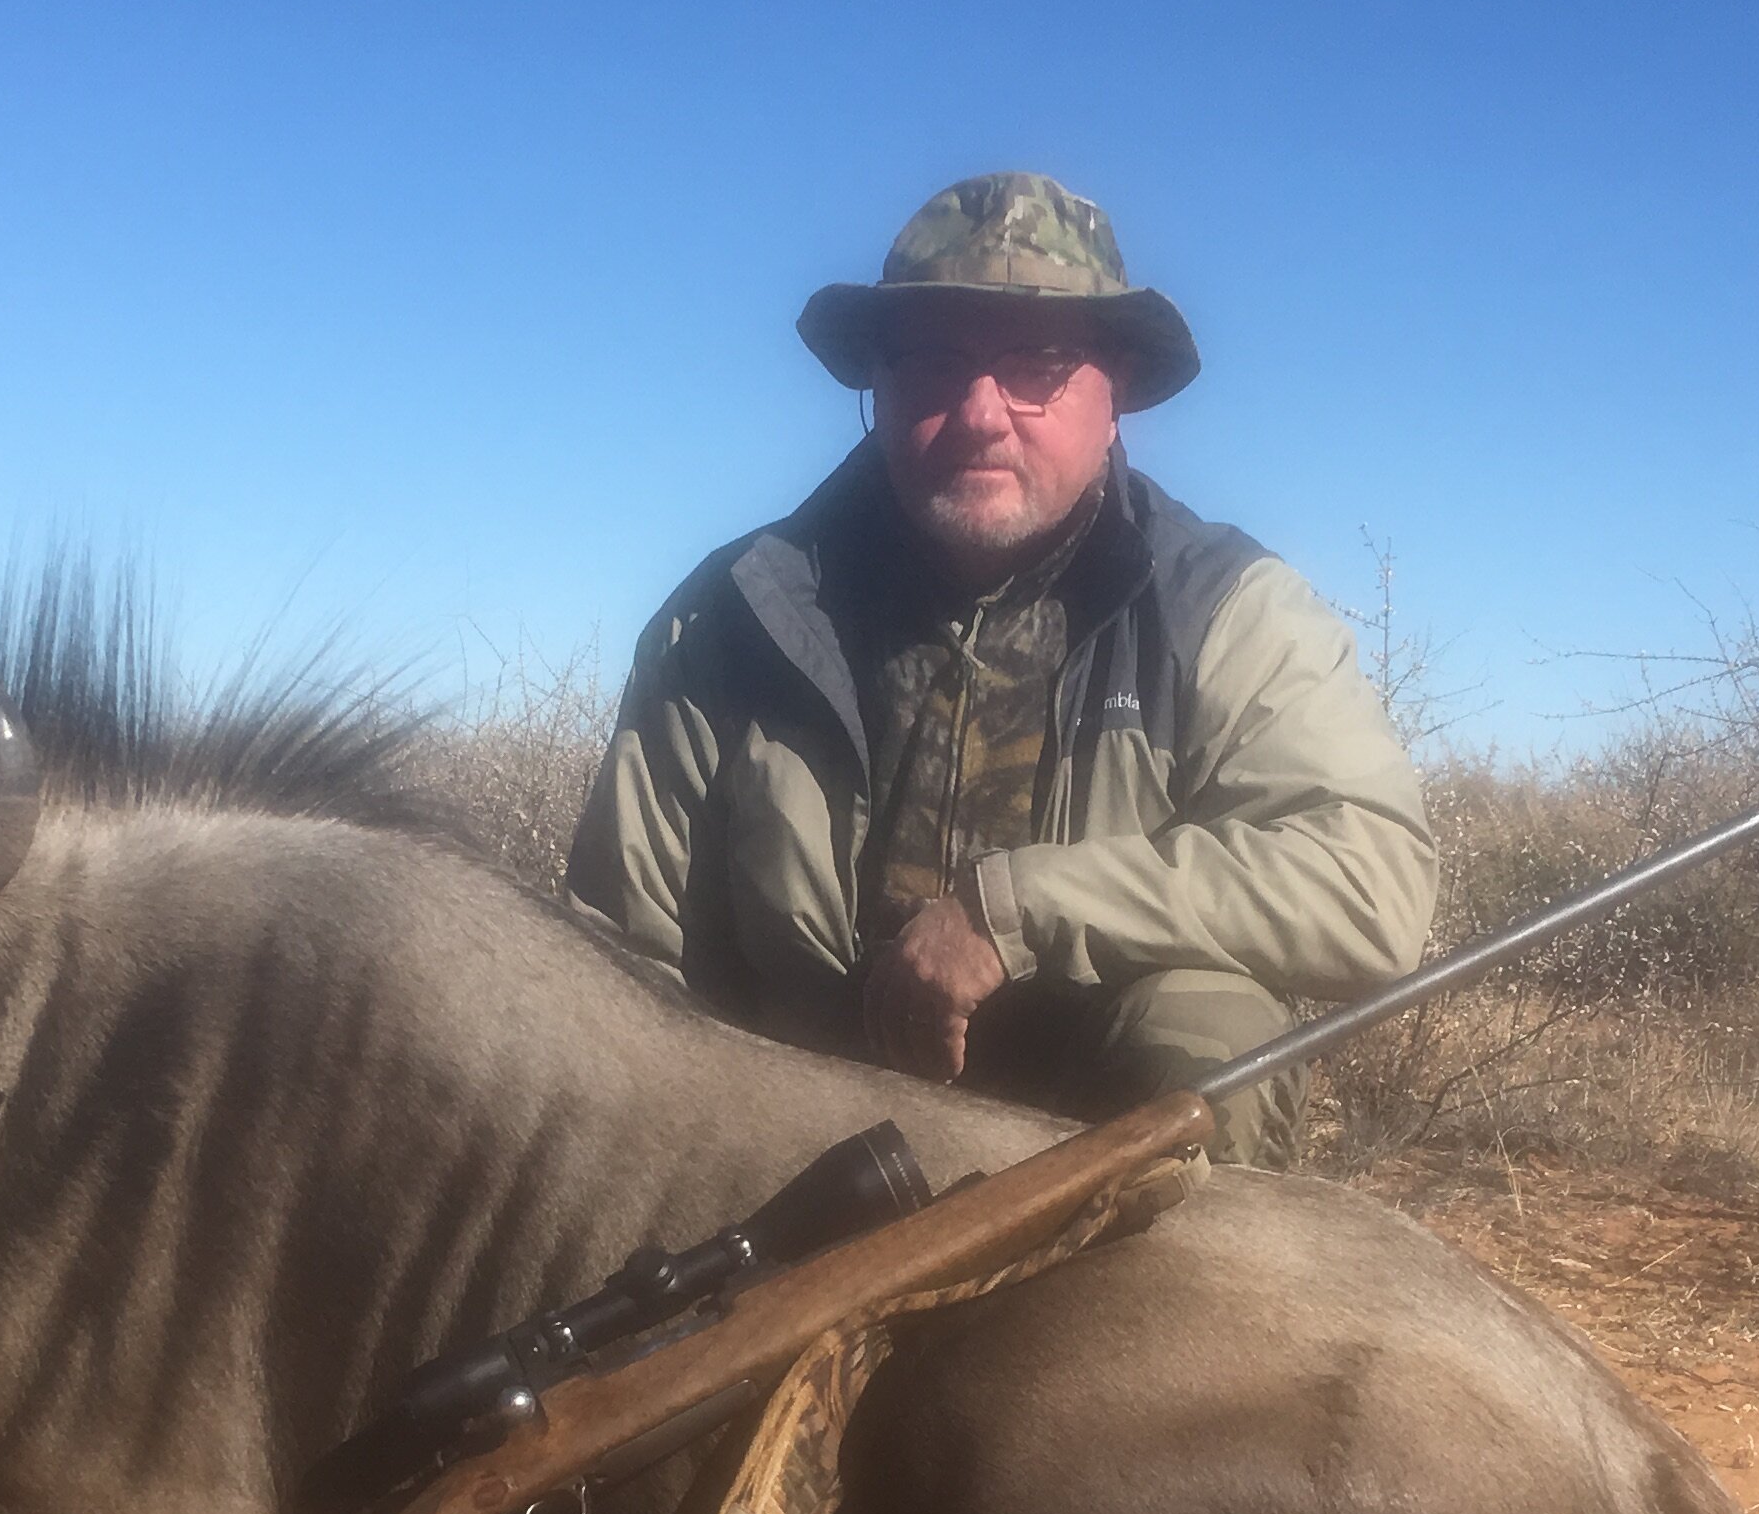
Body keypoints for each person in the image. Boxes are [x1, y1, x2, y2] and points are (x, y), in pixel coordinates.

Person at [564, 172, 1434, 1167]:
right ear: (877, 391)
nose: (980, 412)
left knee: (1212, 1028)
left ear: (1117, 399)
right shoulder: (732, 617)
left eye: (1039, 364)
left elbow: (1372, 883)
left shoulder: (1230, 608)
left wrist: (1012, 911)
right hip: (791, 1139)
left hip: (1093, 1157)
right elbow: (618, 957)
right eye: (933, 361)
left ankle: (1150, 1321)